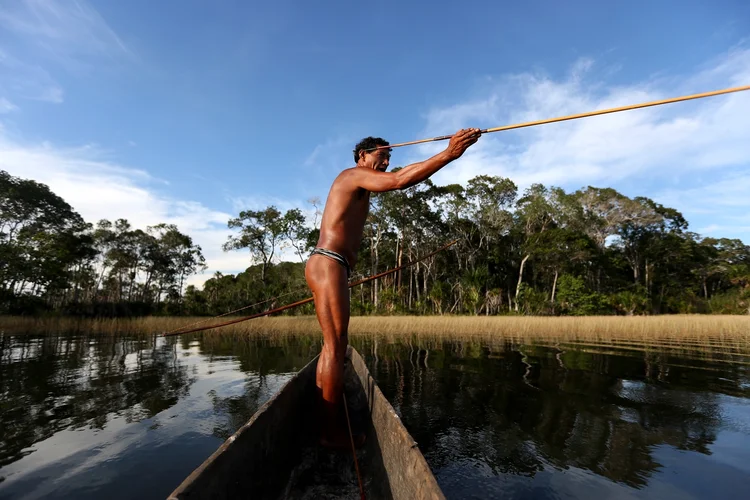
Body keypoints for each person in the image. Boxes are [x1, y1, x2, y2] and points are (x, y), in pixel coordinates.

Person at [305, 127, 482, 448]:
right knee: (336, 346)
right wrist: (449, 154)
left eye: (389, 157)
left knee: (331, 345)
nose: (386, 162)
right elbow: (400, 181)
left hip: (332, 265)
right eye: (381, 156)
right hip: (328, 262)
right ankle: (329, 433)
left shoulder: (361, 183)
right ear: (362, 156)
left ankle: (323, 420)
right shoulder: (351, 175)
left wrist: (445, 154)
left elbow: (402, 173)